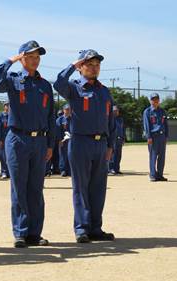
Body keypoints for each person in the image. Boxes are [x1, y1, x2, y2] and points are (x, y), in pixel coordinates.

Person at [0, 40, 55, 248]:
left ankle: (34, 234)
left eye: (37, 57)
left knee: (36, 188)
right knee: (19, 186)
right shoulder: (13, 79)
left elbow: (51, 116)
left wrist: (50, 144)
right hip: (18, 138)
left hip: (39, 140)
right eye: (30, 56)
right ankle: (20, 232)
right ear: (22, 58)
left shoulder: (45, 85)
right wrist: (9, 61)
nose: (35, 60)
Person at [53, 49, 116, 243]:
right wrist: (73, 64)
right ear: (81, 67)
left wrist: (110, 144)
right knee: (81, 187)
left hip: (101, 143)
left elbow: (111, 119)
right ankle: (82, 228)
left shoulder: (104, 90)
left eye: (97, 64)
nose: (94, 68)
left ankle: (95, 228)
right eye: (89, 64)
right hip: (80, 142)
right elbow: (58, 83)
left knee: (98, 188)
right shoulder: (73, 87)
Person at [143, 93, 169, 182]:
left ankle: (160, 175)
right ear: (150, 101)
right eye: (153, 99)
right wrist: (149, 136)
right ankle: (153, 175)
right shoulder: (147, 111)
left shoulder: (162, 111)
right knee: (153, 156)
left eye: (157, 99)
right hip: (153, 137)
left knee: (162, 157)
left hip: (162, 136)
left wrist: (166, 136)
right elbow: (146, 125)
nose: (155, 101)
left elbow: (165, 124)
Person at [109, 105, 125, 175]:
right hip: (113, 138)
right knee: (112, 154)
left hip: (120, 139)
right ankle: (111, 169)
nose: (115, 112)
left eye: (117, 111)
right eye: (114, 111)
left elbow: (123, 129)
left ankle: (117, 168)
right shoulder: (109, 119)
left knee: (118, 155)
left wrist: (124, 138)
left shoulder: (120, 119)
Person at [56, 103, 71, 177]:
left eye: (69, 109)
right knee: (63, 155)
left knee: (71, 155)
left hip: (72, 140)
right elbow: (57, 131)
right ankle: (63, 170)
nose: (68, 111)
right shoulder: (60, 119)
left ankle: (70, 170)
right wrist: (59, 140)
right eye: (66, 109)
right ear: (63, 110)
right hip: (63, 140)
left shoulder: (73, 118)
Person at [0, 101, 10, 179]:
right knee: (3, 157)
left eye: (9, 105)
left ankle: (9, 172)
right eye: (6, 105)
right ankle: (4, 172)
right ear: (4, 107)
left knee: (10, 157)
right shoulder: (1, 116)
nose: (8, 107)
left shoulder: (12, 115)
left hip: (11, 140)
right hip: (3, 139)